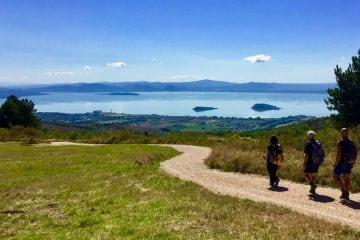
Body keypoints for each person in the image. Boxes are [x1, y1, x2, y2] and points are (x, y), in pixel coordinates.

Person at [333, 128, 357, 201]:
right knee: (346, 178)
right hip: (349, 163)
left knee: (335, 176)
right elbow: (356, 153)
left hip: (341, 163)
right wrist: (353, 161)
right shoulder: (352, 142)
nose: (342, 133)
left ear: (341, 133)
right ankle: (346, 193)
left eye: (342, 132)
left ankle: (343, 190)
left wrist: (335, 163)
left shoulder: (340, 142)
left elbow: (339, 154)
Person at [303, 130, 325, 195]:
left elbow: (306, 155)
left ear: (308, 136)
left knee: (305, 173)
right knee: (314, 175)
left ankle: (312, 185)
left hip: (310, 161)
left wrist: (304, 162)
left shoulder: (308, 144)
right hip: (317, 161)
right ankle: (313, 188)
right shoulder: (318, 143)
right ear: (314, 136)